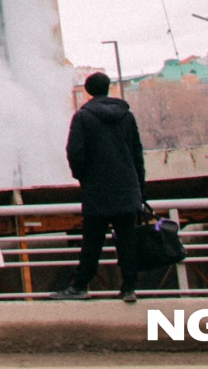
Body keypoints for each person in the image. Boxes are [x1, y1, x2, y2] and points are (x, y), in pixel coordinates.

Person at [54, 70, 146, 303]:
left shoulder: (83, 117)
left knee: (92, 240)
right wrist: (139, 188)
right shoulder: (127, 116)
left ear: (87, 90)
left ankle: (81, 285)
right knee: (127, 238)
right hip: (126, 187)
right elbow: (137, 154)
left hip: (97, 189)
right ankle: (128, 287)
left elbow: (74, 153)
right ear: (108, 88)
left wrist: (83, 178)